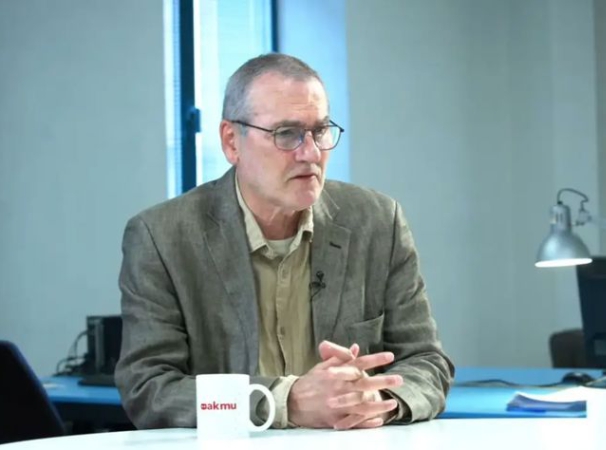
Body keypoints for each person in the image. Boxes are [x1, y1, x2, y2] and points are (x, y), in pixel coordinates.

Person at [114, 53, 454, 431]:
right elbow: (150, 389)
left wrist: (377, 400)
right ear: (231, 141)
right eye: (286, 134)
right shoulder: (162, 237)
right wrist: (283, 401)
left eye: (320, 131)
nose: (311, 153)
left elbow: (427, 363)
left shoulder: (376, 222)